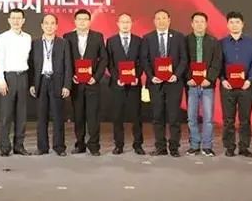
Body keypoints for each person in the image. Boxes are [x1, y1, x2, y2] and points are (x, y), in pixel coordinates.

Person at [141, 9, 187, 157]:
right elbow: (144, 60)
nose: (161, 21)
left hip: (174, 83)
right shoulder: (147, 38)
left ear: (169, 20)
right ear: (154, 21)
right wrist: (151, 76)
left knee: (174, 117)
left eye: (164, 18)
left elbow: (184, 59)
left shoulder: (179, 37)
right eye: (158, 18)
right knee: (157, 116)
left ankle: (174, 147)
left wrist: (176, 75)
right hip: (155, 83)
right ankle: (160, 147)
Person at [63, 9, 107, 156]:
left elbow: (104, 59)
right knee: (78, 115)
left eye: (85, 19)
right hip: (76, 83)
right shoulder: (67, 37)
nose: (82, 22)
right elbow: (66, 60)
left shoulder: (97, 36)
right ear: (75, 21)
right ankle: (80, 144)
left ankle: (94, 146)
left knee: (93, 116)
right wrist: (71, 76)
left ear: (89, 21)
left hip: (92, 82)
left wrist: (96, 77)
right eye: (79, 19)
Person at [29, 14, 72, 155]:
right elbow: (31, 66)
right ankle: (42, 147)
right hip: (41, 81)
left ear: (56, 26)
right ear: (42, 26)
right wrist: (32, 84)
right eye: (46, 23)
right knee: (41, 117)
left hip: (57, 81)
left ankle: (59, 147)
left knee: (58, 117)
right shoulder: (35, 43)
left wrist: (67, 85)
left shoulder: (63, 43)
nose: (49, 26)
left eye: (52, 23)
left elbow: (68, 65)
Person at [220, 11, 252, 158]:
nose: (234, 25)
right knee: (228, 119)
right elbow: (218, 63)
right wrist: (223, 79)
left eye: (237, 22)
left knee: (245, 119)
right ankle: (229, 147)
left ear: (242, 24)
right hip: (227, 87)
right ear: (227, 24)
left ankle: (244, 147)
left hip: (246, 87)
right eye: (231, 22)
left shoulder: (251, 43)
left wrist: (250, 80)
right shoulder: (221, 43)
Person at [0, 8, 32, 156]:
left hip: (23, 76)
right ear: (9, 20)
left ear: (23, 21)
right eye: (13, 18)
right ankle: (5, 147)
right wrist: (1, 80)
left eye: (19, 18)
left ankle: (19, 146)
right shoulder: (2, 38)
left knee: (21, 114)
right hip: (8, 77)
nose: (16, 21)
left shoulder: (28, 37)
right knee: (6, 115)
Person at [107, 13, 144, 155]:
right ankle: (119, 145)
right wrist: (117, 77)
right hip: (117, 85)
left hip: (134, 84)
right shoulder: (111, 41)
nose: (125, 24)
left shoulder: (138, 41)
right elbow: (109, 63)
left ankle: (138, 145)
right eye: (122, 22)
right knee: (117, 116)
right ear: (118, 23)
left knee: (136, 116)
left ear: (131, 24)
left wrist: (137, 76)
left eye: (128, 22)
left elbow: (142, 62)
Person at [185, 11, 221, 157]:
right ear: (192, 24)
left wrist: (210, 79)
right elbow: (183, 60)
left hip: (207, 85)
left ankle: (207, 146)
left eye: (202, 21)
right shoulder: (186, 40)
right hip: (192, 85)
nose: (199, 24)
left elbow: (217, 62)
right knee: (191, 117)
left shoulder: (214, 41)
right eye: (196, 21)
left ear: (206, 24)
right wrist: (188, 77)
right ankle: (194, 145)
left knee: (208, 118)